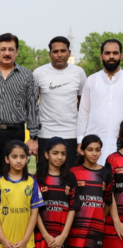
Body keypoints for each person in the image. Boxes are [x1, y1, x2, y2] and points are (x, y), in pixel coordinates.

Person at [0, 33, 40, 187]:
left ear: (17, 52)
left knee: (14, 174)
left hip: (15, 133)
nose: (7, 53)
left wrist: (34, 137)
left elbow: (32, 106)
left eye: (11, 49)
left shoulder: (26, 75)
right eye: (3, 49)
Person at [33, 37, 87, 169]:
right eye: (55, 51)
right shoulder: (39, 73)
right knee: (45, 175)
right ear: (49, 54)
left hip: (71, 133)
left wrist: (82, 134)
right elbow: (32, 106)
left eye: (63, 51)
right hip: (45, 133)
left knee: (68, 175)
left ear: (69, 52)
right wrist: (34, 137)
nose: (59, 54)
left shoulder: (79, 73)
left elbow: (83, 105)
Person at [0, 140, 44, 248]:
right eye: (14, 157)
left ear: (27, 159)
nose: (19, 160)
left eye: (22, 157)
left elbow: (34, 213)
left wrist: (25, 240)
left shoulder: (32, 181)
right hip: (5, 240)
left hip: (25, 240)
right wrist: (3, 239)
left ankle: (24, 246)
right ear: (7, 159)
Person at [35, 137, 80, 248]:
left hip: (61, 237)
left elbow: (73, 207)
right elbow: (34, 210)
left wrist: (63, 236)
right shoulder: (37, 178)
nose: (60, 157)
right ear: (46, 154)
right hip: (42, 236)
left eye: (63, 153)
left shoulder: (70, 178)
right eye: (55, 153)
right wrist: (46, 236)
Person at [68, 135, 112, 248]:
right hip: (78, 226)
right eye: (90, 149)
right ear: (82, 150)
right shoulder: (74, 172)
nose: (94, 154)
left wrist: (100, 216)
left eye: (97, 150)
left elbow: (108, 201)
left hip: (96, 226)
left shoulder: (106, 173)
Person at [77, 39, 123, 165]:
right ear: (101, 56)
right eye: (107, 53)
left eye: (115, 53)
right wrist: (80, 140)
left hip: (119, 144)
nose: (111, 56)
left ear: (121, 56)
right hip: (94, 145)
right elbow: (83, 113)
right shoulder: (92, 80)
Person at [103, 122, 123, 248]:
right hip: (116, 221)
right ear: (121, 136)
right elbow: (109, 193)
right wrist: (117, 222)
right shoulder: (112, 160)